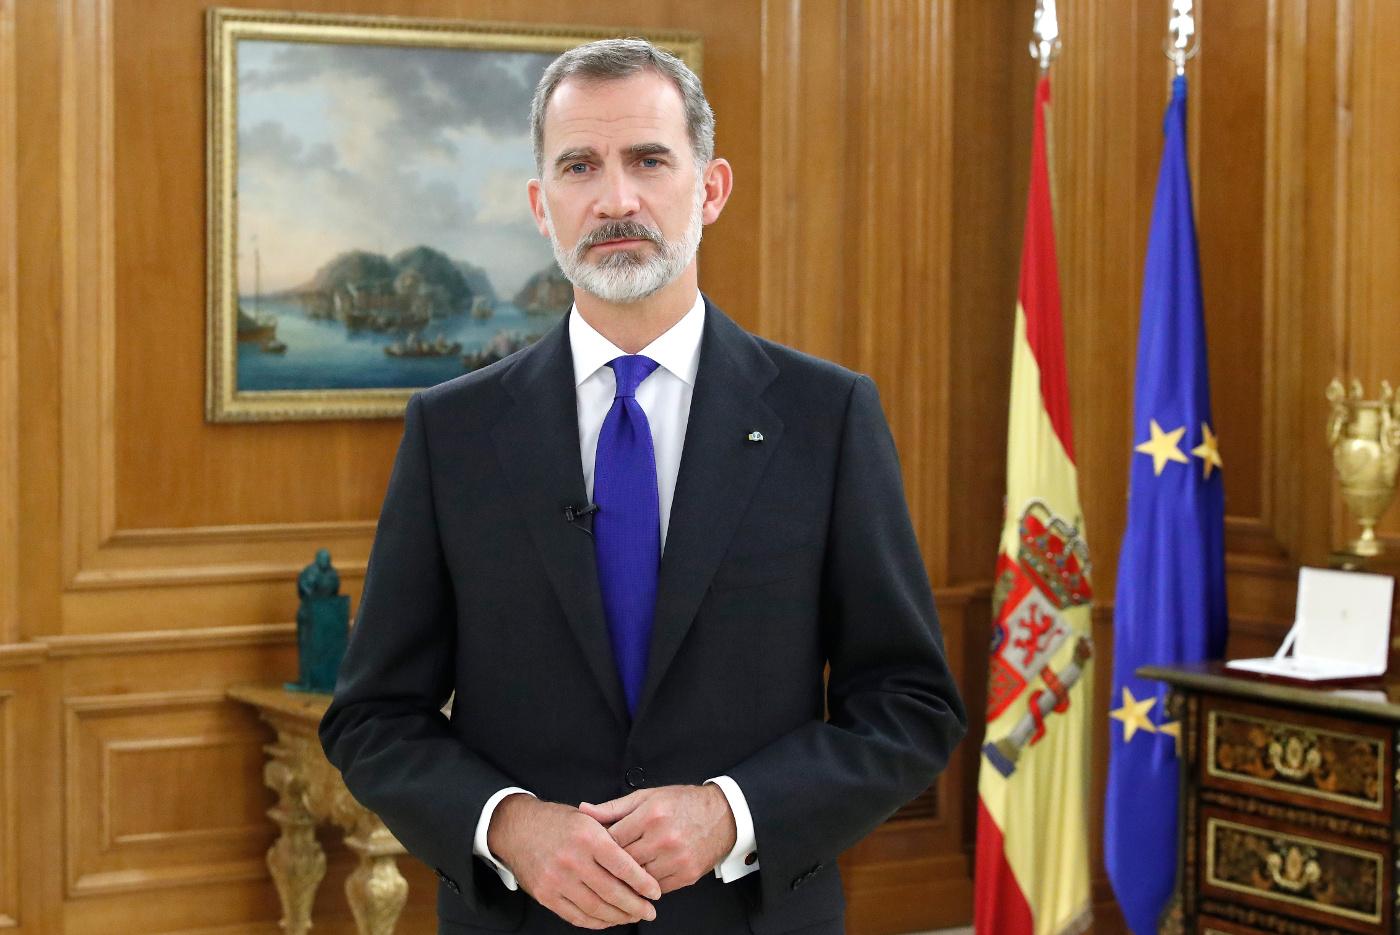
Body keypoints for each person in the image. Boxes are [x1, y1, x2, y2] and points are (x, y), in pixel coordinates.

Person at [320, 38, 966, 935]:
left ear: (711, 188)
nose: (616, 199)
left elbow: (910, 705)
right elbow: (373, 718)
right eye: (580, 165)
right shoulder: (451, 432)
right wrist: (507, 825)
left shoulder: (828, 417)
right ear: (543, 207)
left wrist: (730, 813)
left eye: (649, 160)